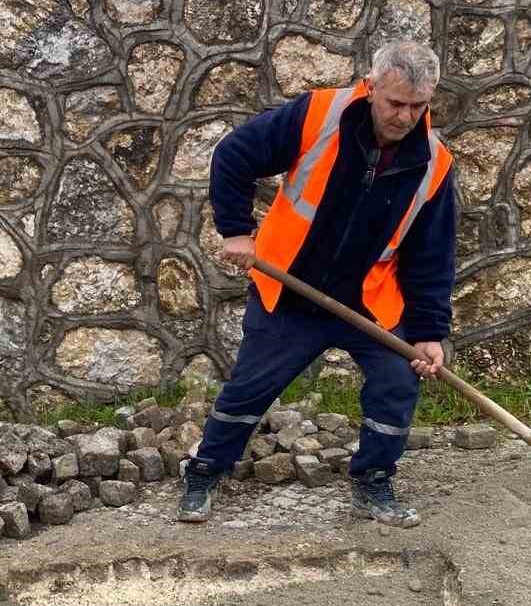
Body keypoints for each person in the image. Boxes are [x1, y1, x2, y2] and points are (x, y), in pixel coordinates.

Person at [177, 40, 458, 529]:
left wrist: (429, 332)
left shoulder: (434, 164)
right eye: (395, 103)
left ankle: (373, 481)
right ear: (371, 87)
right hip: (292, 290)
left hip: (368, 302)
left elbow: (432, 255)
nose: (405, 117)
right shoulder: (319, 115)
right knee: (250, 388)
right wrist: (237, 232)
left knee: (397, 382)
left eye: (418, 106)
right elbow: (235, 154)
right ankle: (205, 471)